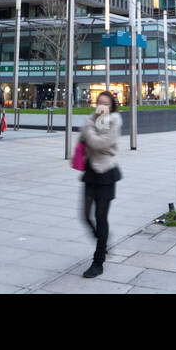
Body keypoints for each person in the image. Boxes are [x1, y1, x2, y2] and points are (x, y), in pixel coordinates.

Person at [78, 90, 121, 278]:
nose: (101, 106)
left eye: (105, 103)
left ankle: (98, 262)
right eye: (99, 102)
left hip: (106, 173)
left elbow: (99, 143)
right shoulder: (92, 119)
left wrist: (89, 129)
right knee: (85, 216)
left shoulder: (115, 122)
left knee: (100, 217)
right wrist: (89, 128)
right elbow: (83, 138)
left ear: (111, 106)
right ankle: (103, 240)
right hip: (90, 172)